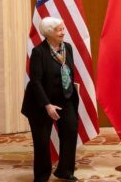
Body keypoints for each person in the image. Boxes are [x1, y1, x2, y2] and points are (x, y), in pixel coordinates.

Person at [21, 17, 79, 182]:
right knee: (41, 141)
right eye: (59, 29)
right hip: (41, 104)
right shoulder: (39, 52)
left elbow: (69, 73)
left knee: (70, 132)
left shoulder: (67, 48)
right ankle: (41, 175)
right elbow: (36, 82)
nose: (63, 32)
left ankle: (65, 170)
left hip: (65, 100)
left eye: (63, 28)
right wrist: (47, 105)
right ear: (49, 33)